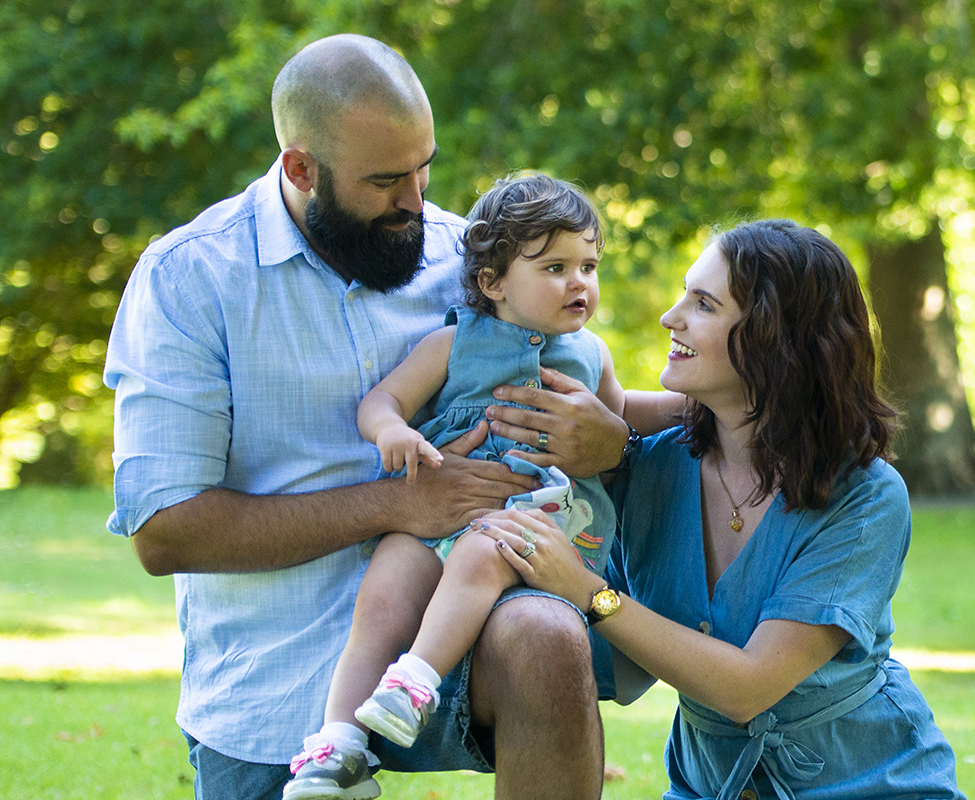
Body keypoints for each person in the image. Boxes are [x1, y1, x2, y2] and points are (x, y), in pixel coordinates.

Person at [104, 34, 635, 800]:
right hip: (270, 683)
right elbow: (165, 531)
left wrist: (612, 435)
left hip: (455, 631)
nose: (417, 202)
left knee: (547, 636)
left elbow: (575, 383)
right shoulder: (189, 278)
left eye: (425, 168)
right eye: (387, 180)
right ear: (301, 168)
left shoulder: (475, 259)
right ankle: (335, 744)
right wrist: (397, 503)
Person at [476, 219, 966, 800]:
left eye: (703, 304)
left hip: (869, 783)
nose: (671, 316)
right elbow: (586, 657)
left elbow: (747, 686)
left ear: (775, 338)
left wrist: (587, 591)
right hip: (709, 787)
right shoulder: (653, 467)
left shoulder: (865, 498)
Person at [285, 173, 674, 799]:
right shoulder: (454, 341)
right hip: (438, 508)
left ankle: (416, 682)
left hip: (541, 521)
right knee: (382, 598)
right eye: (554, 267)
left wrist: (691, 410)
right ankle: (338, 747)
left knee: (483, 549)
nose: (579, 282)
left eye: (588, 265)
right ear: (491, 282)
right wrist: (393, 431)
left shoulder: (592, 355)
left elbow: (618, 423)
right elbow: (383, 400)